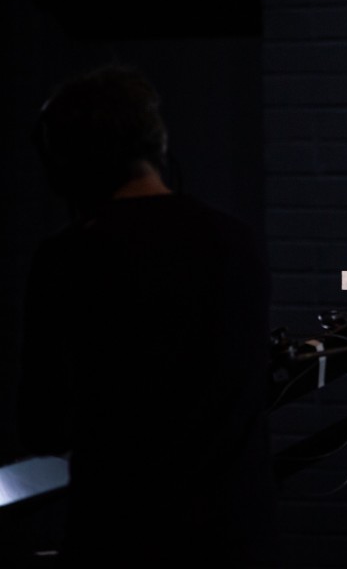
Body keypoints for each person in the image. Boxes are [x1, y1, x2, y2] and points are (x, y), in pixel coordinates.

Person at [17, 66, 277, 566]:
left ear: (69, 162)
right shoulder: (236, 243)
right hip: (237, 539)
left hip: (124, 537)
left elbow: (43, 426)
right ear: (157, 144)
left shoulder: (68, 260)